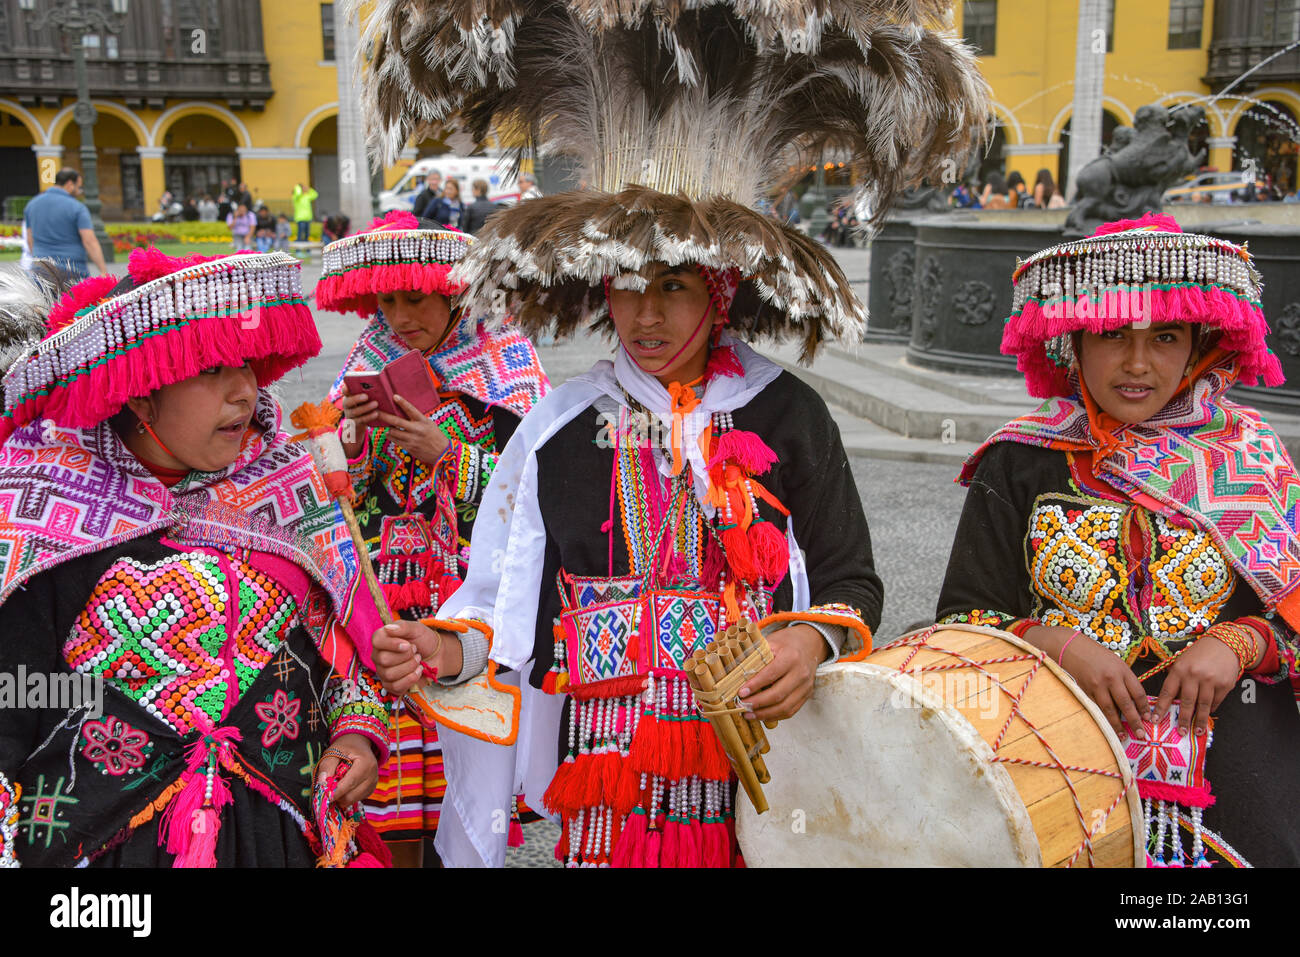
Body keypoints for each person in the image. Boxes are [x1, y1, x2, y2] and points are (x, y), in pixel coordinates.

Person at [353, 0, 987, 870]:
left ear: (721, 291)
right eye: (624, 284)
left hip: (757, 762)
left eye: (675, 286)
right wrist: (447, 645)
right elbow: (506, 604)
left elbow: (850, 578)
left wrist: (807, 638)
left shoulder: (786, 412)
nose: (645, 314)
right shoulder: (561, 427)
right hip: (604, 766)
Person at [0, 247, 394, 867]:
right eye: (213, 371)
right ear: (139, 392)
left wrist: (356, 734)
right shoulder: (42, 506)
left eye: (249, 366)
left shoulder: (283, 484)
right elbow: (11, 698)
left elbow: (340, 653)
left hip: (280, 835)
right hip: (103, 842)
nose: (245, 393)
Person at [937, 213, 1300, 868]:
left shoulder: (1252, 462)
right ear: (1072, 340)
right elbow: (962, 618)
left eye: (1165, 336)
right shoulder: (1020, 459)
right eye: (1111, 333)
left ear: (1198, 344)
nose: (1137, 363)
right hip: (1044, 733)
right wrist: (1055, 642)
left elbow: (1292, 614)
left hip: (1226, 741)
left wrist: (1238, 642)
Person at [316, 211, 549, 867]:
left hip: (465, 598)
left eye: (413, 297)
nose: (399, 315)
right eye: (386, 300)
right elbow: (343, 492)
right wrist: (356, 439)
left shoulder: (507, 361)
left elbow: (538, 491)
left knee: (464, 771)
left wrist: (452, 453)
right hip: (388, 592)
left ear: (454, 293)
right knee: (392, 788)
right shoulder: (370, 360)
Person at [22, 168, 108, 281]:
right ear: (69, 184)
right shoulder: (77, 207)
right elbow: (89, 241)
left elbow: (29, 238)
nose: (79, 192)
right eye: (79, 187)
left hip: (41, 270)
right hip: (72, 270)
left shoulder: (32, 205)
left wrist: (39, 260)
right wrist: (103, 271)